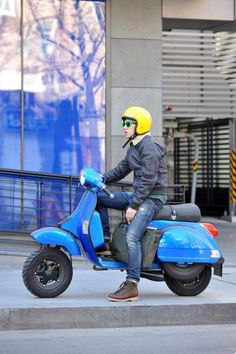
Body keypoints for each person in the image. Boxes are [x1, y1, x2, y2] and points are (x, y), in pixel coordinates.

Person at [96, 106, 168, 302]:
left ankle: (132, 284)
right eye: (124, 123)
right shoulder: (134, 146)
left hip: (152, 199)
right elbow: (121, 169)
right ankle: (105, 243)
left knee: (131, 236)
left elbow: (149, 180)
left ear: (140, 125)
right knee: (99, 198)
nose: (124, 127)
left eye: (128, 123)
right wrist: (100, 180)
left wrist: (134, 206)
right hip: (139, 195)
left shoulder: (149, 148)